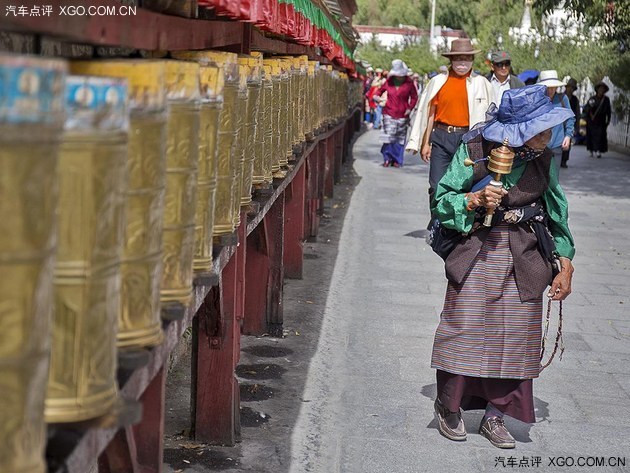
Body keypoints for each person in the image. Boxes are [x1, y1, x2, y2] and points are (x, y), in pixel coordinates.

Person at [430, 85, 575, 449]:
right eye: (540, 128)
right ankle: (449, 406)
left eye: (549, 127)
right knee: (463, 328)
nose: (548, 134)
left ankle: (496, 415)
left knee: (515, 337)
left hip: (525, 255)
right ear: (518, 130)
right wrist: (473, 198)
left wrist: (566, 260)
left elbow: (557, 211)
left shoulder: (544, 158)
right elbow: (443, 200)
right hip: (477, 247)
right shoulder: (476, 149)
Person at [407, 38, 493, 202]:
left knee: (464, 185)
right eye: (458, 58)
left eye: (467, 58)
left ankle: (455, 225)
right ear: (451, 60)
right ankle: (436, 223)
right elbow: (430, 113)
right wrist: (426, 143)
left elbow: (491, 117)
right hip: (441, 136)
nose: (462, 63)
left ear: (472, 60)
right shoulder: (438, 82)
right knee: (436, 184)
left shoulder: (482, 83)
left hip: (468, 140)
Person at [375, 59, 418, 168]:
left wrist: (410, 108)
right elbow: (379, 91)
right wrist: (377, 97)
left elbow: (414, 97)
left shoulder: (409, 83)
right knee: (388, 137)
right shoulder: (389, 81)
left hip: (403, 114)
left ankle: (397, 160)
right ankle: (387, 158)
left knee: (399, 139)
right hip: (388, 112)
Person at [537, 70, 575, 173]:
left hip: (557, 145)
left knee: (554, 178)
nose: (550, 90)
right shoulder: (536, 100)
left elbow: (570, 118)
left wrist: (568, 135)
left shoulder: (563, 99)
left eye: (553, 87)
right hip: (539, 147)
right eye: (547, 87)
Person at [584, 81, 612, 159]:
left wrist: (608, 120)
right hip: (592, 121)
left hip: (601, 121)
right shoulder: (592, 99)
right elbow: (587, 108)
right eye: (600, 89)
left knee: (600, 136)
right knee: (591, 136)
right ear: (597, 90)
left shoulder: (606, 100)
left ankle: (598, 150)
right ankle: (591, 150)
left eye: (603, 89)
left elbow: (608, 110)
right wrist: (590, 114)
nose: (601, 90)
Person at [561, 78, 581, 167]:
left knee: (567, 142)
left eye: (573, 88)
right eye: (570, 87)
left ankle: (564, 160)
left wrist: (577, 127)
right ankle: (559, 159)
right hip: (560, 123)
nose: (571, 89)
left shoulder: (575, 100)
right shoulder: (560, 97)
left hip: (570, 123)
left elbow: (577, 113)